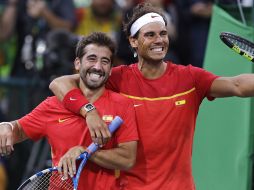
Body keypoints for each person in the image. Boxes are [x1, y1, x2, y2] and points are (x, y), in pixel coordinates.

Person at [49, 2, 254, 190]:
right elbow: (59, 83)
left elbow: (237, 85)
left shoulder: (190, 78)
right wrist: (89, 112)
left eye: (163, 33)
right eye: (150, 35)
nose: (159, 40)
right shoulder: (117, 78)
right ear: (133, 41)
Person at [0, 32, 138, 190]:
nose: (98, 67)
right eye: (92, 59)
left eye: (105, 61)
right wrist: (6, 126)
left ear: (111, 69)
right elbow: (17, 129)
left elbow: (128, 159)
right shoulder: (53, 105)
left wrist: (85, 153)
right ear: (78, 63)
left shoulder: (122, 104)